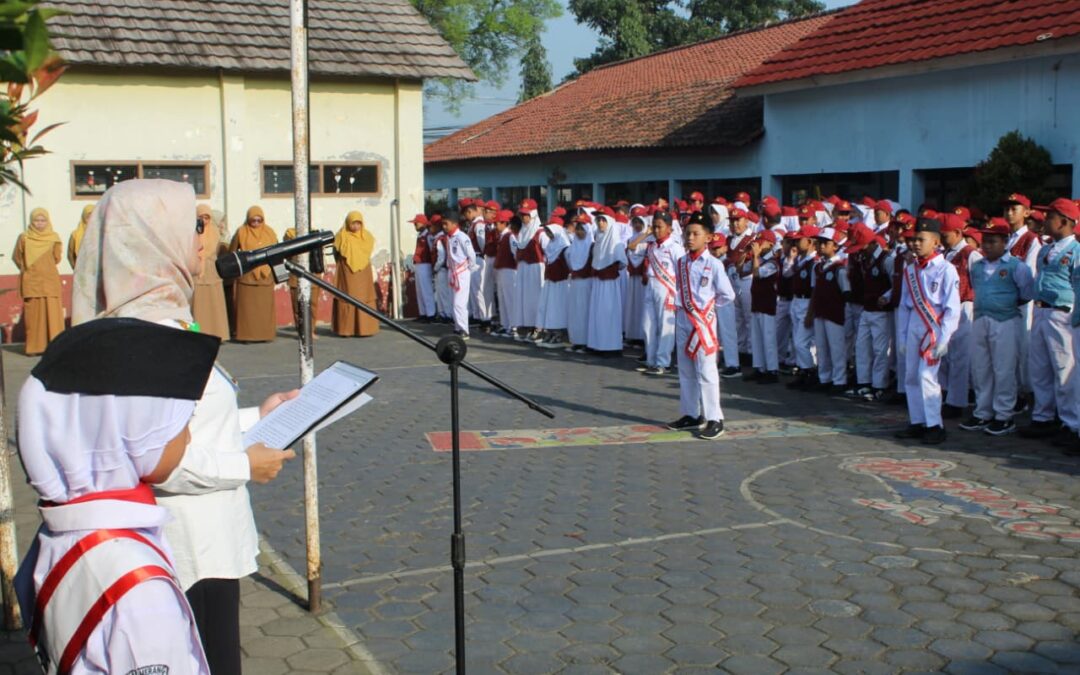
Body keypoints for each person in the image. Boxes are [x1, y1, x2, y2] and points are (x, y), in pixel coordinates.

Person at [71, 179, 299, 673]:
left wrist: (257, 416)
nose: (204, 236)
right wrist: (244, 465)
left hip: (205, 541)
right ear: (151, 237)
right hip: (181, 547)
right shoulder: (145, 336)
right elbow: (154, 459)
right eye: (191, 224)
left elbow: (184, 424)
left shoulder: (163, 318)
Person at [15, 318, 219, 675]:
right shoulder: (141, 596)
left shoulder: (60, 531)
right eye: (178, 424)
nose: (187, 438)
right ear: (128, 432)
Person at [961, 218, 1034, 435]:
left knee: (1004, 369)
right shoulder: (977, 266)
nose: (987, 245)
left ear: (1004, 242)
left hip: (1006, 321)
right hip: (981, 318)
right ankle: (983, 412)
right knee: (981, 368)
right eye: (985, 241)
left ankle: (1004, 415)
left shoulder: (1016, 267)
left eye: (993, 241)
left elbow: (1027, 293)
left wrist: (1003, 304)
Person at [666, 217, 736, 440]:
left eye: (695, 234)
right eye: (687, 233)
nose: (690, 238)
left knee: (706, 371)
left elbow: (728, 294)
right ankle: (691, 414)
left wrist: (709, 312)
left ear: (708, 238)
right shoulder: (681, 262)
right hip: (684, 320)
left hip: (703, 323)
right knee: (685, 369)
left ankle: (715, 418)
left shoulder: (714, 264)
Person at [894, 217, 962, 444]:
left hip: (933, 327)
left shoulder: (946, 269)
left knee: (927, 377)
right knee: (911, 376)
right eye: (913, 240)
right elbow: (904, 305)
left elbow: (952, 307)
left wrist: (944, 338)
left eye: (920, 239)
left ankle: (935, 425)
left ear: (935, 241)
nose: (915, 244)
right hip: (914, 323)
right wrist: (902, 335)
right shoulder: (910, 269)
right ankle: (917, 421)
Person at [1018, 198, 1080, 443]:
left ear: (1064, 222)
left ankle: (1070, 423)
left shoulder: (1076, 251)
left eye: (1050, 216)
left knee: (1064, 369)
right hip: (1041, 310)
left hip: (1062, 312)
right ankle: (1043, 417)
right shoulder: (1045, 249)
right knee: (1040, 368)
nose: (1044, 221)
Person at [939, 213, 982, 417]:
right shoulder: (946, 253)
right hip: (947, 308)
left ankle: (957, 401)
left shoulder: (971, 254)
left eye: (945, 235)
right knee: (946, 355)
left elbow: (979, 283)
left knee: (960, 356)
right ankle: (946, 394)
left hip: (965, 306)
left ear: (957, 233)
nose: (941, 239)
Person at [847, 224, 895, 401]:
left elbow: (895, 284)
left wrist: (887, 297)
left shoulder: (886, 259)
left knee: (880, 349)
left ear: (870, 243)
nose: (860, 251)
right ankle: (863, 382)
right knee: (861, 347)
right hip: (866, 309)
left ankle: (879, 386)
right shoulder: (864, 259)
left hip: (881, 311)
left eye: (862, 247)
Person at [639, 211, 684, 376]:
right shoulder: (651, 246)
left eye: (660, 227)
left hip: (666, 288)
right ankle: (651, 360)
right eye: (654, 227)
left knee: (665, 326)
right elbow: (631, 247)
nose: (656, 230)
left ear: (669, 229)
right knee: (648, 325)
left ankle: (663, 362)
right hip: (651, 285)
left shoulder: (675, 247)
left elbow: (681, 272)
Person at [14, 207, 64, 355]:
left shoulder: (54, 238)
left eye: (43, 220)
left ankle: (55, 348)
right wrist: (30, 270)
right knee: (33, 317)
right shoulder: (24, 237)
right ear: (31, 221)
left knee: (53, 316)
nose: (40, 223)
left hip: (50, 281)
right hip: (32, 281)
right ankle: (34, 348)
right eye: (36, 220)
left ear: (47, 221)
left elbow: (57, 258)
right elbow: (18, 257)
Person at [806, 227, 849, 393]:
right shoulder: (817, 267)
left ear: (835, 246)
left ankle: (839, 380)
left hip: (834, 314)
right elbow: (814, 291)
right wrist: (811, 312)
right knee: (822, 347)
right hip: (820, 312)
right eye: (820, 243)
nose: (821, 246)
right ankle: (824, 378)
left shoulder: (840, 268)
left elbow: (846, 293)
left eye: (826, 243)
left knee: (836, 348)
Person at [230, 206, 278, 342]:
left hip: (265, 276)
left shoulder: (270, 233)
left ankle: (265, 335)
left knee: (264, 308)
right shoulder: (241, 232)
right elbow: (232, 251)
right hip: (247, 277)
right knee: (248, 310)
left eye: (259, 220)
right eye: (253, 220)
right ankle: (247, 336)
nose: (256, 223)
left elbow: (276, 252)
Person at [332, 210, 379, 337]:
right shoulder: (341, 235)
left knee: (364, 297)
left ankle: (365, 329)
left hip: (363, 272)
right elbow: (336, 252)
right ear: (348, 223)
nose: (356, 226)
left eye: (358, 223)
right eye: (353, 223)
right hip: (346, 272)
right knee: (346, 297)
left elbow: (368, 252)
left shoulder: (367, 236)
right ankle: (346, 330)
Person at [786, 222, 820, 389]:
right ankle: (802, 370)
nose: (796, 243)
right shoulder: (800, 259)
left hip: (807, 302)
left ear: (810, 241)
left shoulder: (814, 262)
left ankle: (809, 371)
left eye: (801, 240)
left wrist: (810, 313)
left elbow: (815, 289)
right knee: (797, 339)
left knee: (802, 341)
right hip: (796, 300)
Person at [587, 207, 625, 353]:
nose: (600, 223)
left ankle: (610, 345)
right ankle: (597, 343)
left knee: (608, 312)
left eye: (603, 220)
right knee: (597, 312)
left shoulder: (616, 242)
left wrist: (609, 267)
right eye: (598, 220)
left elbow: (622, 261)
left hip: (609, 282)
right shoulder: (598, 240)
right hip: (598, 281)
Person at [192, 204, 231, 341]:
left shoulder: (215, 232)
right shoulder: (192, 232)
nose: (204, 220)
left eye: (206, 217)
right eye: (200, 217)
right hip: (197, 273)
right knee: (198, 307)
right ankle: (196, 334)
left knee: (214, 306)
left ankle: (218, 334)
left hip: (213, 272)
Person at [747, 229, 780, 383]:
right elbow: (742, 270)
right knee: (757, 337)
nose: (758, 246)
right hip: (757, 302)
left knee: (768, 337)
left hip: (768, 304)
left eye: (761, 242)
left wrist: (755, 256)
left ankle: (772, 370)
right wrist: (747, 254)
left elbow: (757, 273)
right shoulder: (759, 258)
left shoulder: (773, 262)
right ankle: (759, 367)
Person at [536, 216, 571, 348]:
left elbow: (570, 265)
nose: (549, 235)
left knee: (558, 308)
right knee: (549, 307)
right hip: (550, 282)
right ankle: (550, 330)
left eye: (550, 232)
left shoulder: (564, 248)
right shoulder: (551, 246)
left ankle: (558, 332)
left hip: (561, 283)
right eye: (547, 232)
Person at [514, 199, 545, 341]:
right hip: (523, 269)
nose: (524, 218)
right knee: (525, 299)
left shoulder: (540, 232)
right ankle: (527, 325)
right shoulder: (522, 232)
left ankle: (538, 327)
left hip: (536, 268)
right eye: (522, 215)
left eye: (526, 215)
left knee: (536, 298)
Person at [441, 216, 476, 338]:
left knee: (459, 303)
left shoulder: (462, 237)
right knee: (453, 301)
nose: (444, 226)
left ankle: (464, 329)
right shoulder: (448, 237)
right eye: (443, 224)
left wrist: (468, 268)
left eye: (446, 223)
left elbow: (471, 254)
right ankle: (457, 327)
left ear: (454, 224)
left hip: (461, 272)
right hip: (452, 271)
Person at [565, 215, 594, 352]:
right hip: (575, 283)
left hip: (587, 283)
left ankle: (586, 342)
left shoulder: (591, 246)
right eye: (577, 229)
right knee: (575, 312)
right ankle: (576, 340)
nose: (579, 232)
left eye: (582, 229)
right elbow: (570, 261)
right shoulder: (573, 246)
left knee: (584, 312)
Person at [492, 210, 518, 337]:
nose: (495, 226)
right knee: (502, 299)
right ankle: (505, 324)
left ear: (504, 223)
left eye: (497, 223)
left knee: (509, 298)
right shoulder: (502, 236)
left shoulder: (510, 236)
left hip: (509, 270)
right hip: (502, 270)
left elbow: (515, 253)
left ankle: (513, 326)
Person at [410, 214, 437, 322]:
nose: (415, 225)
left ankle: (430, 314)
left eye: (416, 223)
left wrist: (433, 265)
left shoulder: (428, 236)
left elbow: (432, 251)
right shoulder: (421, 235)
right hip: (419, 264)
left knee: (426, 290)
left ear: (423, 223)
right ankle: (423, 313)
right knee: (420, 290)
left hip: (425, 264)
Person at [67, 203, 94, 270]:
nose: (91, 220)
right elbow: (70, 255)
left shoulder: (101, 234)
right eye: (88, 217)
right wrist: (76, 269)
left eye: (93, 217)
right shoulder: (75, 234)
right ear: (84, 218)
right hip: (81, 270)